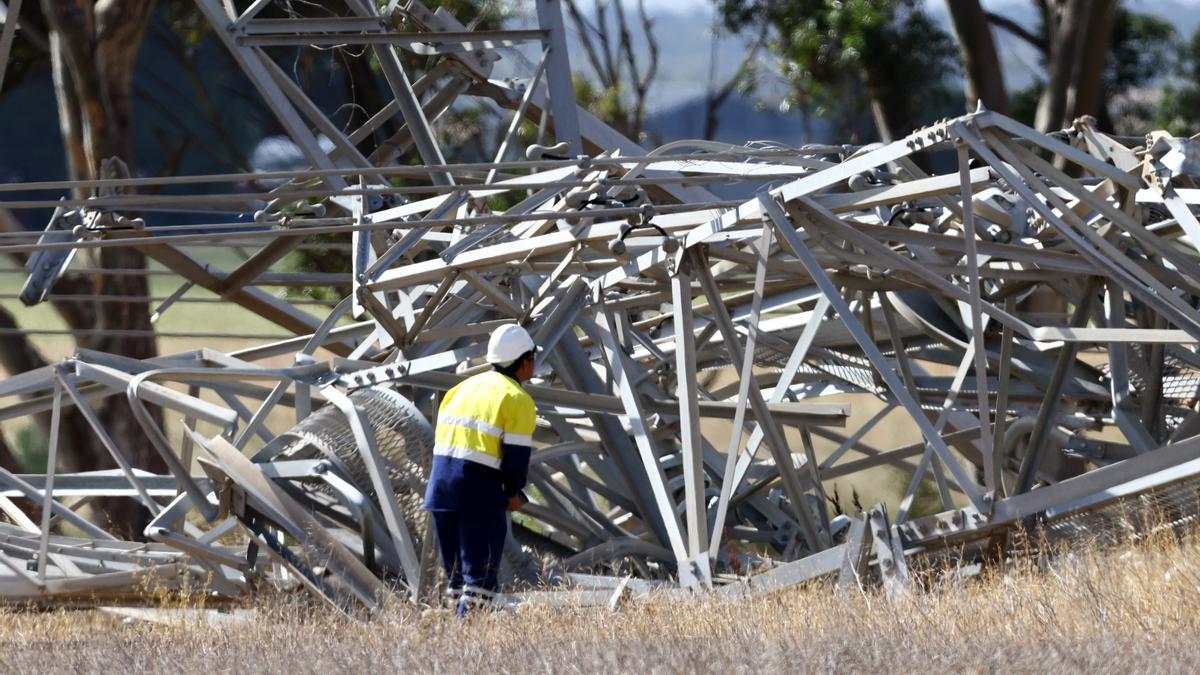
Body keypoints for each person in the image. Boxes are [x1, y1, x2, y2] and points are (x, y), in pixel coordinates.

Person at [423, 323, 538, 617]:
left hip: (440, 492)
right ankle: (467, 651)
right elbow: (515, 457)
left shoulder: (460, 389)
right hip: (477, 494)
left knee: (457, 583)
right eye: (533, 357)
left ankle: (454, 644)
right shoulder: (516, 399)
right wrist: (513, 493)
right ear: (524, 361)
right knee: (480, 582)